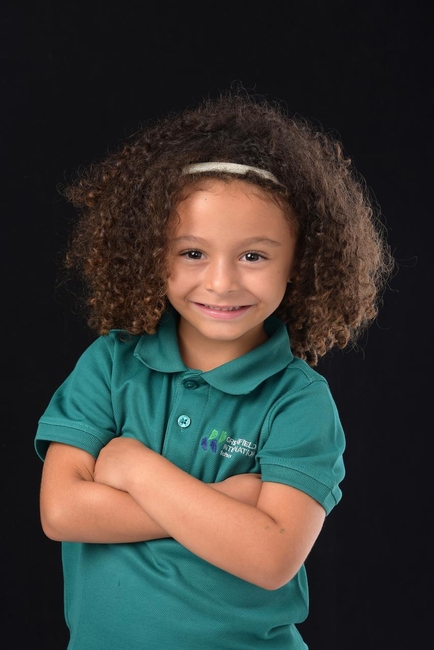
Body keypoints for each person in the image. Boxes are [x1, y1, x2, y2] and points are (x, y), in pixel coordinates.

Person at [35, 90, 392, 649]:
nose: (221, 283)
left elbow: (271, 557)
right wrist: (225, 501)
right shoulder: (110, 365)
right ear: (152, 252)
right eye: (193, 253)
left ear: (298, 262)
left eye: (253, 255)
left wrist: (134, 467)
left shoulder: (298, 400)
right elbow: (61, 512)